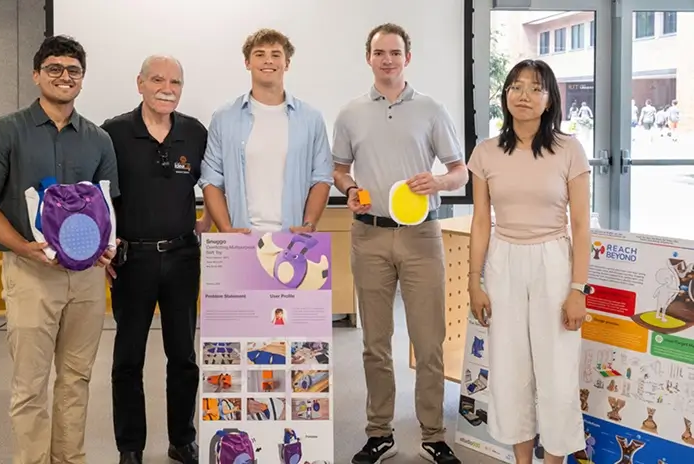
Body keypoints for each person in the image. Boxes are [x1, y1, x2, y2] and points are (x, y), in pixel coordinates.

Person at [0, 35, 119, 464]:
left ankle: (70, 459)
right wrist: (24, 249)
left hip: (85, 280)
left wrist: (108, 246)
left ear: (82, 80)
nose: (64, 77)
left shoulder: (99, 140)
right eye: (54, 68)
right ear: (36, 75)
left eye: (73, 70)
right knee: (30, 385)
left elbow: (105, 207)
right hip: (30, 274)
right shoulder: (5, 131)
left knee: (76, 379)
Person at [331, 23, 468, 464]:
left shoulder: (430, 109)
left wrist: (440, 181)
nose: (387, 59)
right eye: (379, 52)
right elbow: (339, 169)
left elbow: (459, 171)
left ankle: (433, 433)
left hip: (421, 235)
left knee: (429, 341)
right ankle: (379, 432)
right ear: (367, 58)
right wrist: (349, 188)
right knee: (375, 342)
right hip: (368, 234)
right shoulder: (351, 112)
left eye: (395, 52)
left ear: (407, 58)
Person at [467, 59, 592, 464]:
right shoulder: (486, 152)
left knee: (556, 374)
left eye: (535, 88)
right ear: (505, 96)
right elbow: (481, 221)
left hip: (553, 261)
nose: (523, 96)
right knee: (509, 369)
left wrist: (577, 289)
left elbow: (581, 226)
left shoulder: (569, 149)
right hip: (503, 261)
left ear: (549, 98)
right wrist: (474, 280)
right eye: (516, 87)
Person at [101, 55, 210, 464]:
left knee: (182, 356)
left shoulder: (195, 133)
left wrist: (207, 222)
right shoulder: (113, 132)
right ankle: (130, 447)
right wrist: (103, 247)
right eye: (158, 80)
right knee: (127, 358)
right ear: (140, 83)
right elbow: (98, 196)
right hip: (132, 260)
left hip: (183, 257)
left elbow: (217, 181)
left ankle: (182, 439)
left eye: (176, 82)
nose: (167, 88)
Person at [198, 28, 333, 233]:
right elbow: (211, 178)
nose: (268, 61)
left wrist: (309, 224)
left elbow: (322, 177)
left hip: (292, 238)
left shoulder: (311, 119)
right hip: (241, 239)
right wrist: (225, 228)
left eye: (275, 55)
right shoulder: (224, 118)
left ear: (286, 63)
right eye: (259, 54)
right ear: (247, 63)